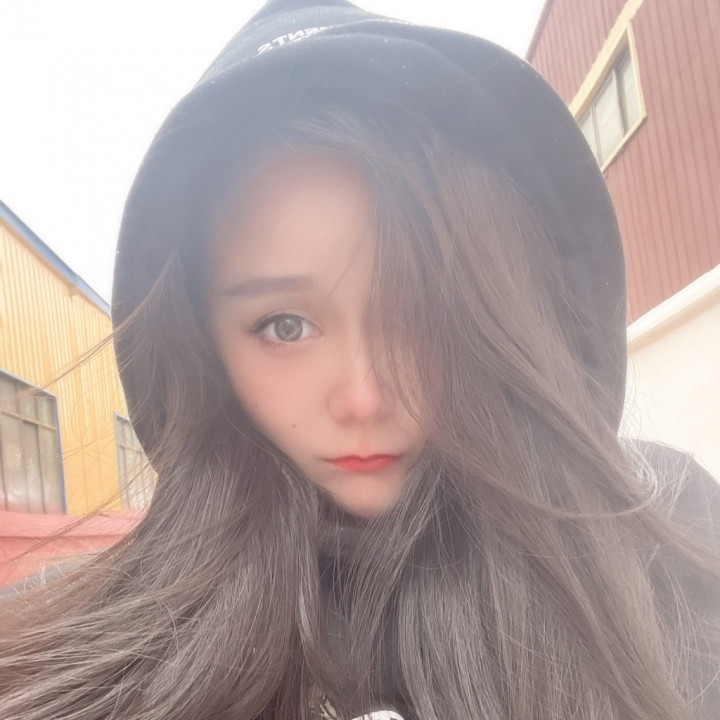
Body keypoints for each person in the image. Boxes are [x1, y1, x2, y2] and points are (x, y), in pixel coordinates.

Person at [1, 1, 719, 718]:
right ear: (201, 343)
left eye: (424, 312)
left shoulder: (668, 543)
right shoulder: (62, 647)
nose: (364, 397)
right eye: (285, 326)